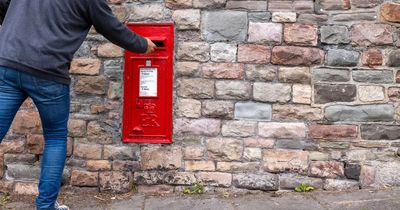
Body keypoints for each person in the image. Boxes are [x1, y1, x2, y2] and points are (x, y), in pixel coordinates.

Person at [0, 0, 156, 209]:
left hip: (8, 61)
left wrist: (16, 31)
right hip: (48, 71)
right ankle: (46, 206)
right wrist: (142, 44)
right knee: (55, 138)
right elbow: (110, 27)